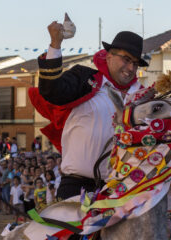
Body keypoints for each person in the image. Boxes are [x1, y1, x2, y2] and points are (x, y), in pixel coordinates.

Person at [29, 21, 147, 200]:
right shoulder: (86, 79)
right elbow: (52, 90)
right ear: (108, 56)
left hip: (123, 192)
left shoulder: (142, 96)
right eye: (126, 59)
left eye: (136, 63)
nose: (131, 68)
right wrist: (55, 44)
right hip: (76, 188)